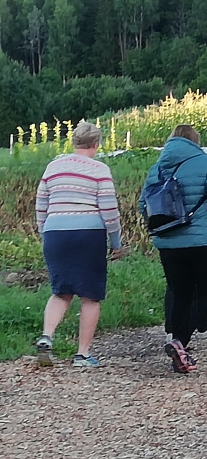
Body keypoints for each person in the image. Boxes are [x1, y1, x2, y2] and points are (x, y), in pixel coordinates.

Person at [140, 125, 207, 373]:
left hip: (168, 242)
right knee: (201, 291)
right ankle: (184, 338)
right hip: (203, 240)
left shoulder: (158, 166)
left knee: (177, 289)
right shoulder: (206, 163)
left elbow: (144, 203)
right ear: (195, 141)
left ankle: (175, 333)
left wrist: (160, 228)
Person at [34, 121, 124, 368]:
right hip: (88, 234)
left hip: (55, 232)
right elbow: (109, 209)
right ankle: (82, 354)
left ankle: (47, 336)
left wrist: (46, 233)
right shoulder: (99, 169)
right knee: (90, 295)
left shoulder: (53, 167)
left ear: (74, 142)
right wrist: (116, 242)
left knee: (60, 290)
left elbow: (41, 204)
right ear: (96, 144)